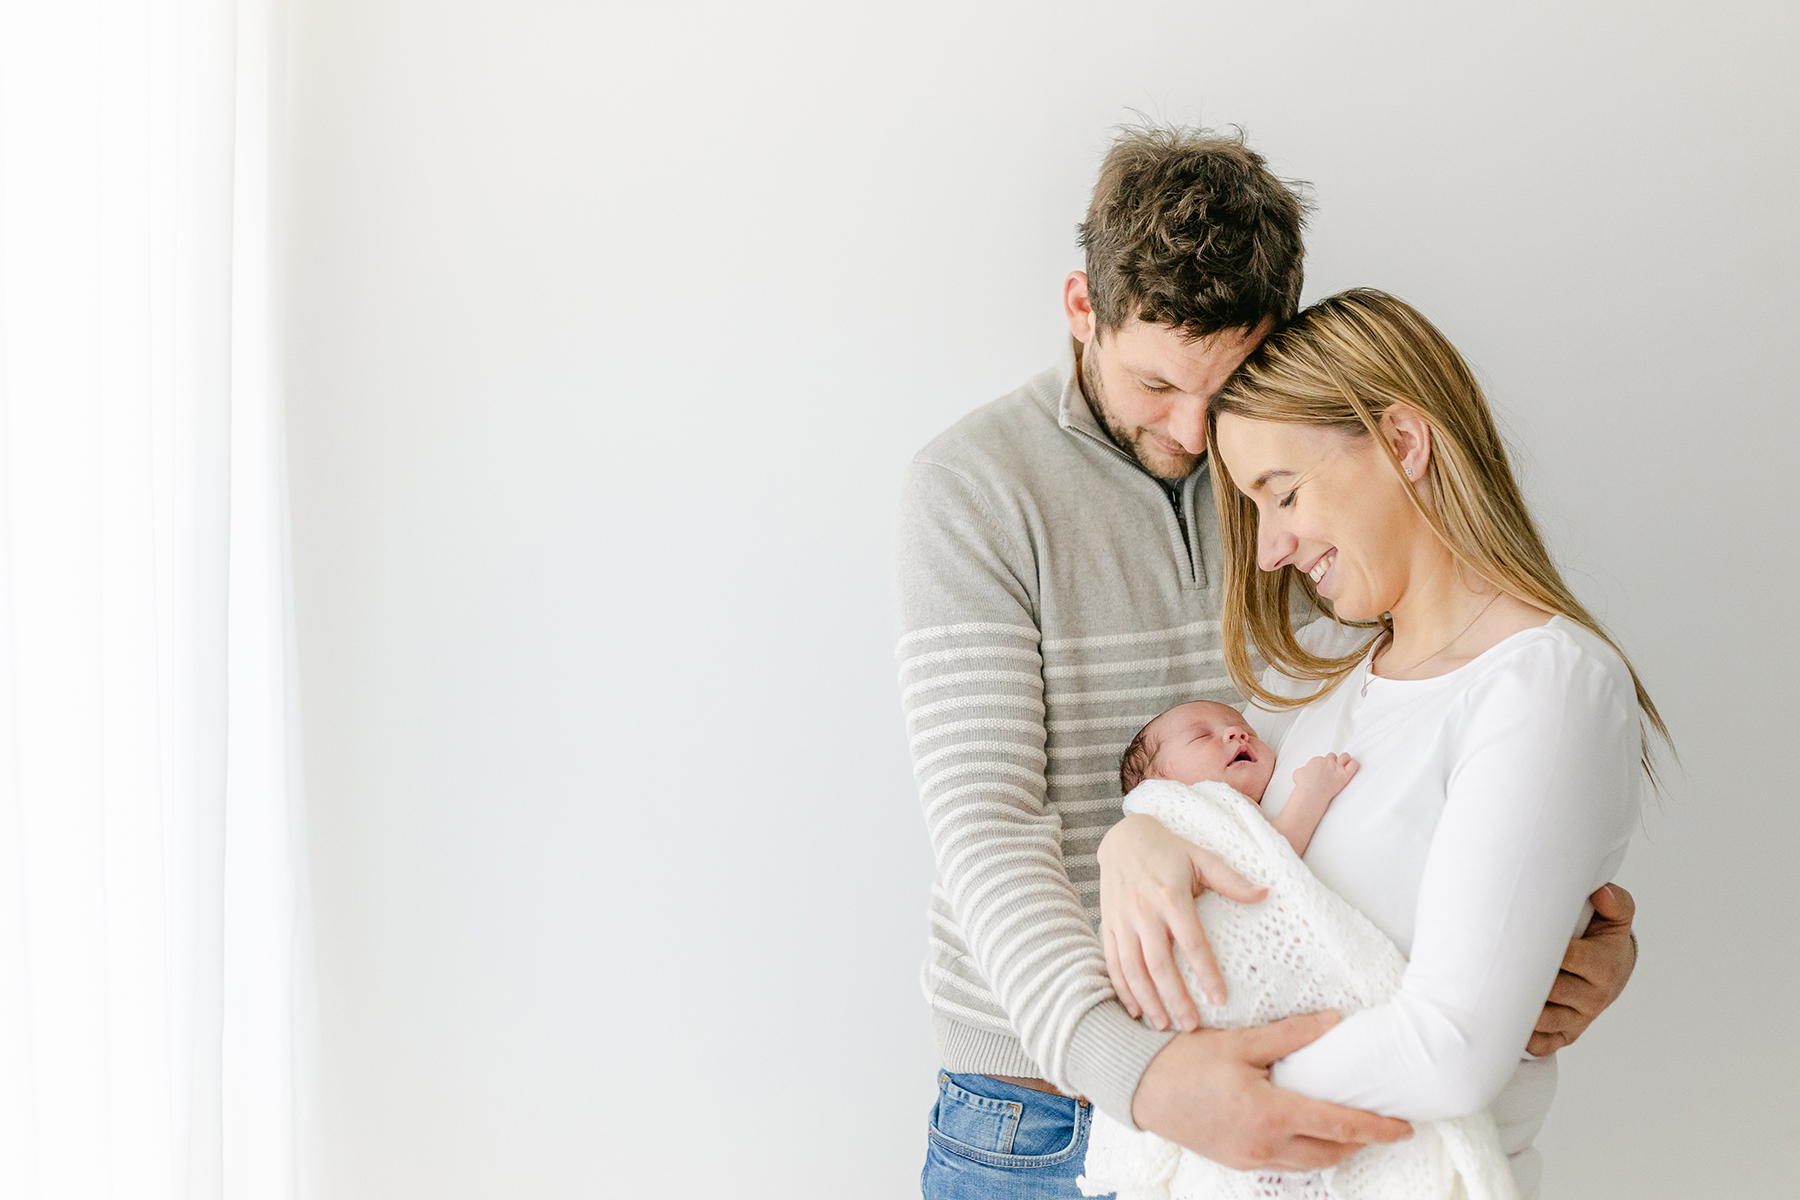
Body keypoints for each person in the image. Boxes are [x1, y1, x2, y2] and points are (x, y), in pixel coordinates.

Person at [896, 126, 1639, 1200]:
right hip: (1040, 1108)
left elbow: (1427, 752)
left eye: (1228, 383)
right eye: (1157, 385)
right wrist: (1144, 1079)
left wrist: (1559, 939)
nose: (1196, 434)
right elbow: (986, 822)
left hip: (1294, 1087)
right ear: (1080, 310)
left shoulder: (1309, 481)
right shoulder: (972, 490)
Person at [1098, 288, 1667, 1198]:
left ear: (1404, 441)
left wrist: (1192, 1100)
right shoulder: (1322, 685)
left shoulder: (1544, 687)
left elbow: (1449, 1049)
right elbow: (1221, 840)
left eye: (1282, 494)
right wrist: (1140, 835)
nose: (1272, 549)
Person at [1116, 700, 1358, 858]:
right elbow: (1270, 858)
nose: (1237, 733)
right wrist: (1313, 791)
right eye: (1201, 736)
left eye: (1248, 731)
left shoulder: (1235, 807)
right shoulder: (1184, 812)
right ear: (1155, 788)